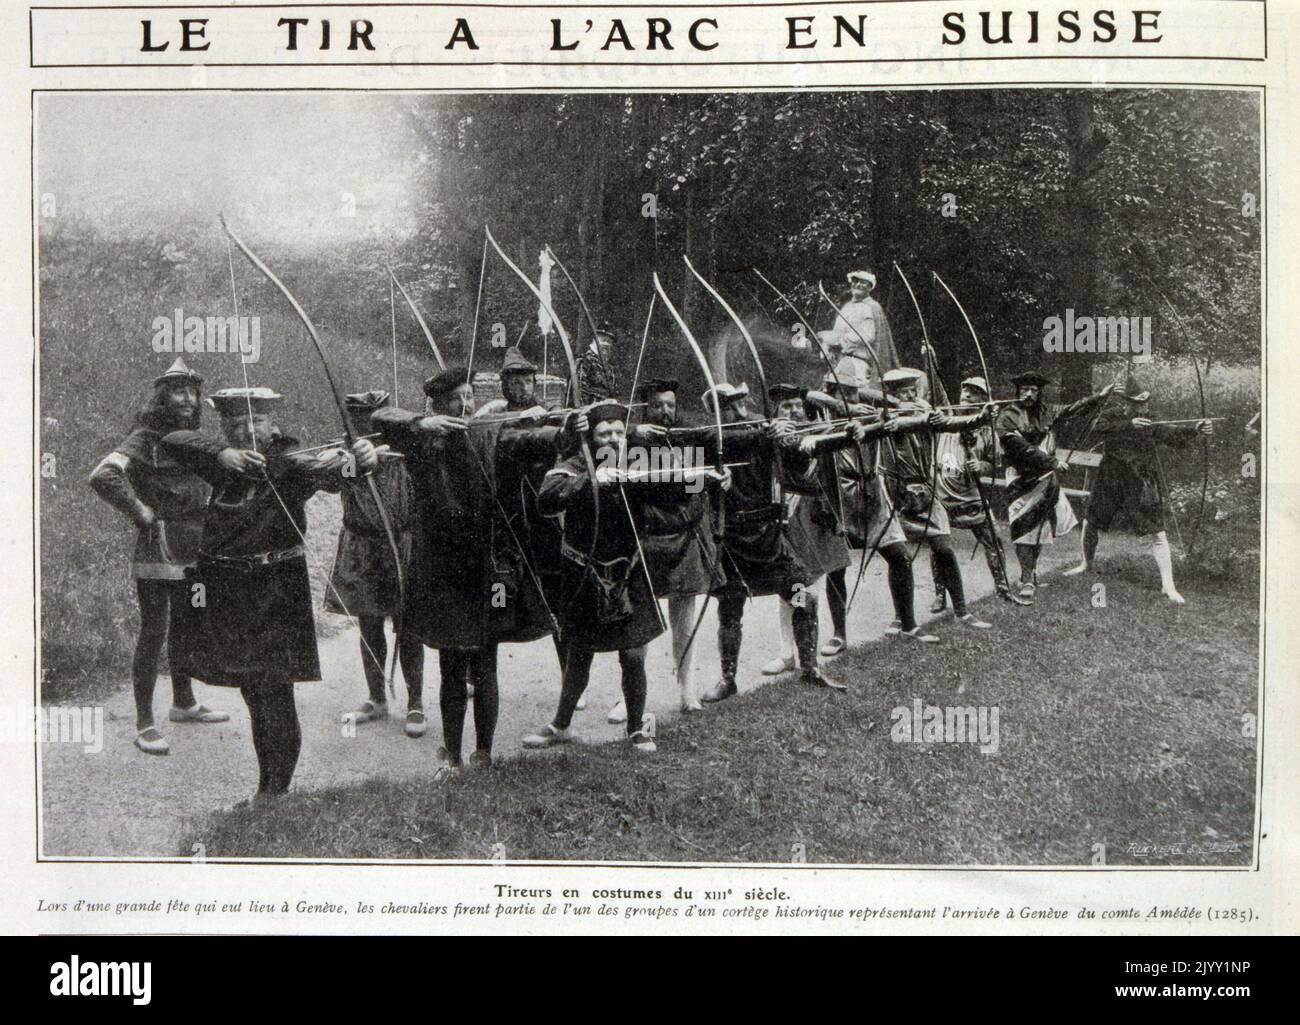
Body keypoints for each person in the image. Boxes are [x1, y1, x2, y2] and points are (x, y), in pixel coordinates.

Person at [161, 386, 379, 798]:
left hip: (276, 591)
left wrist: (360, 460)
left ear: (272, 424)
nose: (246, 429)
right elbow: (174, 441)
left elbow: (334, 473)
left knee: (275, 692)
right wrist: (220, 454)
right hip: (233, 593)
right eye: (235, 423)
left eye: (256, 420)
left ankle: (273, 791)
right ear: (224, 428)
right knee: (253, 691)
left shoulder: (289, 464)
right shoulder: (225, 467)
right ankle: (270, 788)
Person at [373, 366, 561, 773]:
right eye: (456, 399)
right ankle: (453, 755)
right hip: (441, 572)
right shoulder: (423, 445)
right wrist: (423, 423)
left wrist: (561, 427)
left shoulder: (487, 435)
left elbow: (533, 440)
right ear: (438, 405)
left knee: (486, 663)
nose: (466, 404)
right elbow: (380, 418)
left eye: (470, 396)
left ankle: (484, 753)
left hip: (483, 569)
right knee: (451, 666)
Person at [522, 401, 730, 753]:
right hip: (584, 576)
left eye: (619, 433)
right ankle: (560, 724)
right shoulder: (572, 465)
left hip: (628, 573)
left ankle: (636, 728)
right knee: (579, 654)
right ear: (591, 436)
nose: (614, 439)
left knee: (633, 654)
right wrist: (592, 481)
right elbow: (546, 500)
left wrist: (710, 480)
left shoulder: (634, 466)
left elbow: (672, 487)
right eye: (605, 434)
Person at [88, 357, 229, 756]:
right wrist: (140, 510)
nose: (186, 399)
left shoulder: (194, 437)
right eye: (177, 391)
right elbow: (103, 475)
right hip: (159, 544)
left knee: (188, 623)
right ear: (163, 397)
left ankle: (183, 703)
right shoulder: (145, 437)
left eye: (191, 391)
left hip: (195, 544)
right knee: (154, 632)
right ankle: (144, 724)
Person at [691, 382, 845, 700]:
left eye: (740, 402)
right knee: (730, 609)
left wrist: (844, 435)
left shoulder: (764, 430)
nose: (740, 409)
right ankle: (728, 679)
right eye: (731, 405)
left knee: (803, 597)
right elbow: (719, 445)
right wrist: (763, 434)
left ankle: (810, 668)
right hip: (732, 541)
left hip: (768, 539)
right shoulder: (712, 439)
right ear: (719, 412)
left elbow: (802, 452)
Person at [608, 377, 727, 718]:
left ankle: (686, 689)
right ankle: (628, 699)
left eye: (670, 406)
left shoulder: (687, 437)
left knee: (684, 620)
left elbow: (712, 460)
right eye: (657, 405)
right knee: (638, 627)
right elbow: (605, 451)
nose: (665, 412)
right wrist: (632, 433)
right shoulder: (627, 442)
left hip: (683, 536)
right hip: (646, 538)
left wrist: (718, 478)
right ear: (645, 407)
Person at [1062, 376, 1215, 603]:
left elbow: (1171, 433)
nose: (1144, 407)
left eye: (1145, 403)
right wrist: (1128, 425)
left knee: (1157, 532)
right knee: (1091, 521)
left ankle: (1168, 586)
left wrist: (1196, 429)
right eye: (1138, 404)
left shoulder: (1150, 419)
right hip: (1110, 477)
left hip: (1140, 479)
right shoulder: (1113, 414)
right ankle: (1086, 563)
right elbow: (1095, 428)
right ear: (1126, 403)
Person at [327, 391, 425, 736]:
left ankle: (415, 702)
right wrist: (355, 457)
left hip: (400, 544)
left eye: (372, 421)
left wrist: (383, 452)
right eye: (358, 422)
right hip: (362, 545)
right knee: (369, 624)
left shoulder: (405, 450)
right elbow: (328, 475)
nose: (365, 428)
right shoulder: (346, 456)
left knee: (408, 626)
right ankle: (376, 697)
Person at [996, 372, 1112, 603]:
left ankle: (1029, 573)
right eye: (1025, 390)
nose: (1029, 394)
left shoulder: (1047, 412)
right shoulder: (1007, 416)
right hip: (1021, 478)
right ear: (1018, 391)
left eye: (1034, 391)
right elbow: (1018, 447)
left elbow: (1072, 409)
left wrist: (1099, 397)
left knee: (1039, 529)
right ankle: (1027, 577)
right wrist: (1053, 462)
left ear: (1039, 393)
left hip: (1046, 478)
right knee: (1022, 527)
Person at [764, 383, 852, 674]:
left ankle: (840, 633)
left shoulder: (820, 428)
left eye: (797, 406)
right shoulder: (773, 435)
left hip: (823, 512)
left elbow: (834, 435)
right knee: (794, 584)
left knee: (836, 572)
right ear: (775, 412)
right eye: (785, 407)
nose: (792, 411)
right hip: (793, 513)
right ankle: (787, 652)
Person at [929, 376, 1027, 609]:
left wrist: (981, 466)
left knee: (993, 538)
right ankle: (940, 593)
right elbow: (937, 387)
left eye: (974, 392)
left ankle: (1002, 587)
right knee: (939, 544)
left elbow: (994, 464)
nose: (967, 396)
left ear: (983, 399)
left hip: (972, 495)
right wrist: (930, 357)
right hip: (942, 492)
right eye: (965, 391)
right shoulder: (947, 418)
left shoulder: (987, 431)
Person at [823, 270, 902, 391]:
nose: (858, 285)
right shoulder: (847, 306)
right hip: (841, 359)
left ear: (870, 287)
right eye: (855, 281)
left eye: (863, 282)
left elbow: (867, 336)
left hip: (860, 362)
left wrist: (840, 340)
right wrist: (827, 344)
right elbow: (836, 331)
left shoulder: (872, 307)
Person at [575, 321, 619, 403]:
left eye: (609, 341)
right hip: (588, 411)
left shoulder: (609, 366)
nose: (606, 344)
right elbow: (580, 391)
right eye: (603, 340)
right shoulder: (584, 361)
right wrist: (602, 402)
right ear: (594, 340)